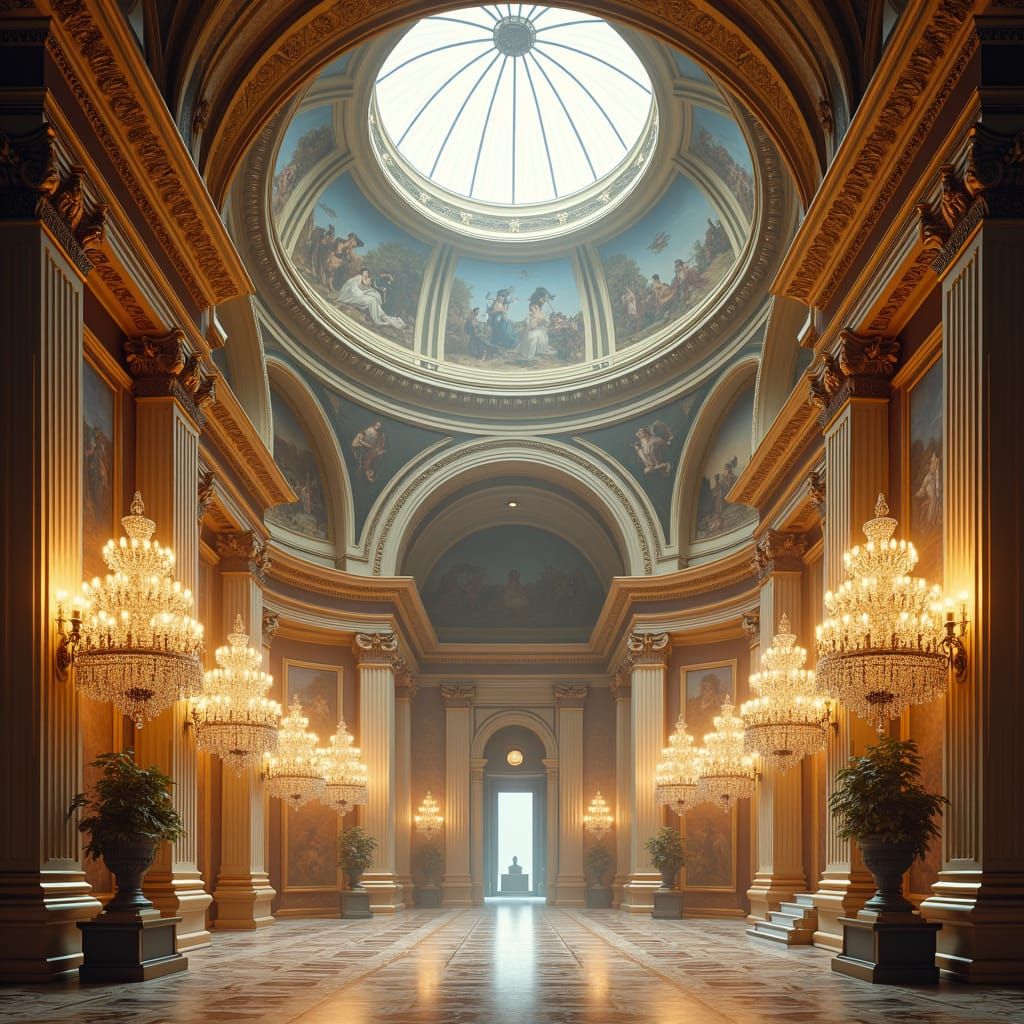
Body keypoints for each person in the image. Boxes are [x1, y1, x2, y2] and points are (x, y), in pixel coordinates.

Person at [337, 269, 405, 329]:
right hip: (353, 296)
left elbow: (363, 287)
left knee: (374, 299)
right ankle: (379, 318)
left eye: (367, 273)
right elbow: (356, 288)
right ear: (362, 272)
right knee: (372, 299)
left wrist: (368, 289)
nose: (367, 274)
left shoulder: (363, 279)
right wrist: (367, 289)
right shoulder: (359, 276)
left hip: (358, 295)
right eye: (366, 272)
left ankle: (383, 316)